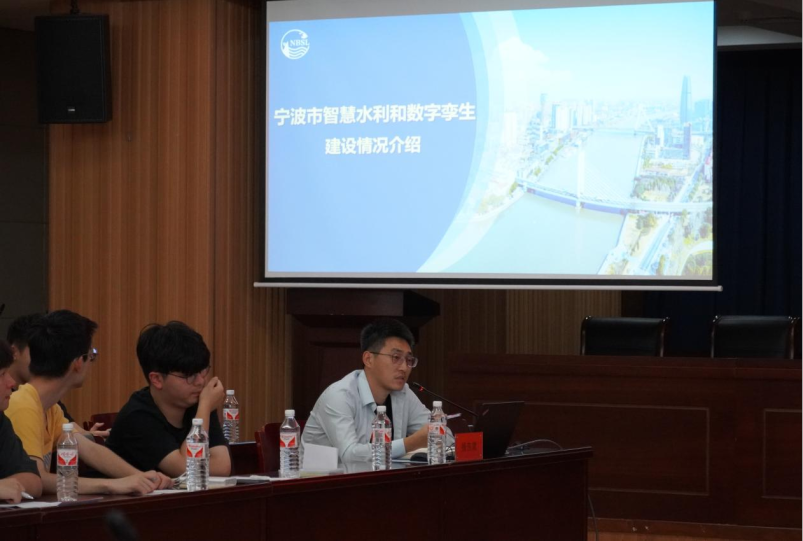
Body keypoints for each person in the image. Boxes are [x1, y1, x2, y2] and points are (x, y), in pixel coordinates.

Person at [5, 310, 171, 495]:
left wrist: (142, 478)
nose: (92, 362)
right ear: (77, 362)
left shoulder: (50, 407)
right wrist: (111, 485)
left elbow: (90, 450)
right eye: (92, 355)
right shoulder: (23, 405)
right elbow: (37, 478)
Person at [302, 319, 445, 464]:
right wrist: (410, 443)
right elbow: (350, 455)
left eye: (408, 360)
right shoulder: (339, 396)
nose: (404, 367)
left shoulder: (403, 393)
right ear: (368, 359)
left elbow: (445, 437)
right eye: (396, 358)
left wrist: (434, 435)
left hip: (382, 475)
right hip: (319, 476)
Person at [106, 321, 231, 477]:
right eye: (189, 375)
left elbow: (223, 467)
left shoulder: (198, 404)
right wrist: (205, 407)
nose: (201, 381)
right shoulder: (137, 416)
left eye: (202, 371)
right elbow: (186, 470)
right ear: (157, 379)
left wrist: (204, 407)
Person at [6, 313, 107, 434]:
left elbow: (71, 433)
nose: (42, 357)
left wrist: (90, 436)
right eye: (35, 351)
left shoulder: (48, 403)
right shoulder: (19, 405)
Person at [0, 340, 43, 503]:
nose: (12, 383)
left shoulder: (1, 422)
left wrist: (11, 485)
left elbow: (34, 480)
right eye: (2, 374)